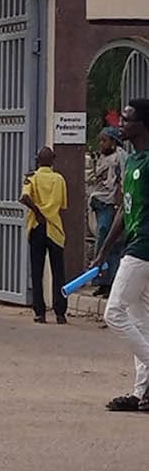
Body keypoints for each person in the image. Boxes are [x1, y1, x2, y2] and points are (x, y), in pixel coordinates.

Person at [94, 99, 149, 411]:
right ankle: (141, 393)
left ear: (142, 124)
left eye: (127, 120)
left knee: (113, 313)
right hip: (133, 246)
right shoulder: (133, 162)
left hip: (143, 250)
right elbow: (122, 210)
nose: (121, 125)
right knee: (141, 321)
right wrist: (102, 252)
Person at [20, 146, 69, 324]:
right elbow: (63, 206)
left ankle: (40, 312)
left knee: (37, 270)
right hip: (55, 229)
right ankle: (60, 313)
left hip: (37, 227)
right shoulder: (59, 179)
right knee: (58, 273)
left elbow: (24, 198)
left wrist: (38, 212)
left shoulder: (31, 178)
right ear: (53, 159)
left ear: (37, 160)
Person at [89, 127, 126, 297]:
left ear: (113, 141)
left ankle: (110, 282)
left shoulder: (119, 157)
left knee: (109, 243)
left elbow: (120, 182)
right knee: (101, 241)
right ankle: (101, 282)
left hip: (111, 204)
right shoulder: (103, 158)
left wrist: (119, 205)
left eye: (105, 140)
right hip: (99, 203)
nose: (101, 144)